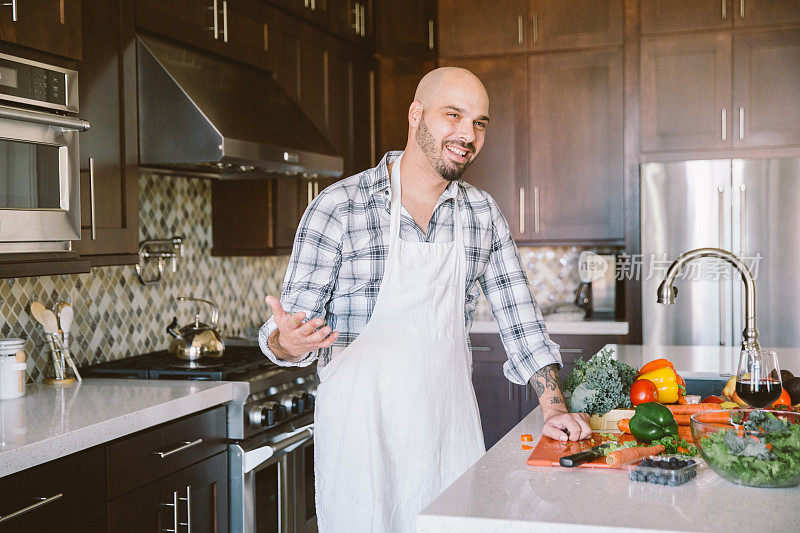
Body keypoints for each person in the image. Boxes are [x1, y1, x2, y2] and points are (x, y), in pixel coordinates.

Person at [260, 67, 591, 533]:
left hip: (446, 438)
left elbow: (522, 323)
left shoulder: (481, 213)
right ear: (416, 115)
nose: (467, 134)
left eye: (479, 123)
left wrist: (554, 407)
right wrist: (287, 343)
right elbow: (285, 336)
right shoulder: (340, 207)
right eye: (452, 115)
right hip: (361, 449)